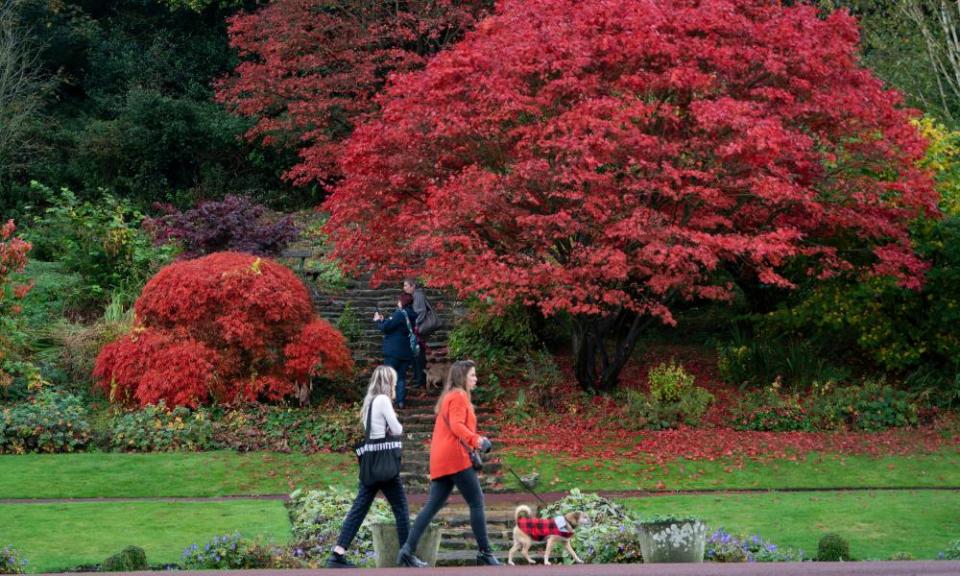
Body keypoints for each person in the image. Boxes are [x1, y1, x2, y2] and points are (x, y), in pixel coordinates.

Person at [396, 360, 498, 567]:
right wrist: (478, 440)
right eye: (472, 375)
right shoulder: (459, 396)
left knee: (432, 506)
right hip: (455, 457)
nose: (475, 379)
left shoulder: (449, 397)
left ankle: (407, 550)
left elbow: (454, 426)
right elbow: (457, 426)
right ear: (462, 377)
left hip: (441, 459)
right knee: (476, 501)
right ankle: (485, 553)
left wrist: (473, 441)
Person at [327, 366, 410, 569]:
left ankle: (337, 554)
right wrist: (392, 426)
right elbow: (397, 429)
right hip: (385, 466)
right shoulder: (383, 400)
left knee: (359, 509)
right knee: (401, 508)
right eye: (394, 381)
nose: (395, 385)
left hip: (371, 466)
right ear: (388, 381)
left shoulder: (369, 402)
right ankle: (407, 554)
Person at [374, 293, 416, 408]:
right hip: (406, 351)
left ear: (402, 302)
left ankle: (387, 401)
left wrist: (379, 320)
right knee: (401, 377)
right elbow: (397, 327)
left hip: (394, 351)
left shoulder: (399, 314)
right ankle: (401, 401)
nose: (397, 303)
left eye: (398, 301)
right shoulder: (412, 315)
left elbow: (385, 328)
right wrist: (385, 321)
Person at [403, 278, 435, 388]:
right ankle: (419, 378)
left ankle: (420, 379)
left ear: (413, 286)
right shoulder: (415, 296)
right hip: (417, 329)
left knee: (418, 355)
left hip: (418, 329)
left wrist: (414, 325)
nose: (404, 288)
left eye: (406, 286)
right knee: (417, 354)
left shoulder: (418, 295)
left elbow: (420, 312)